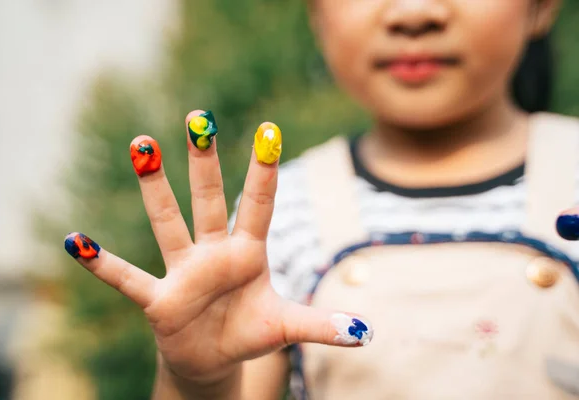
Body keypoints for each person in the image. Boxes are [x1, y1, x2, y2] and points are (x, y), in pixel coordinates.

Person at [64, 0, 579, 399]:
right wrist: (199, 381)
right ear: (315, 14)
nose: (413, 14)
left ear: (543, 6)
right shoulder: (276, 214)